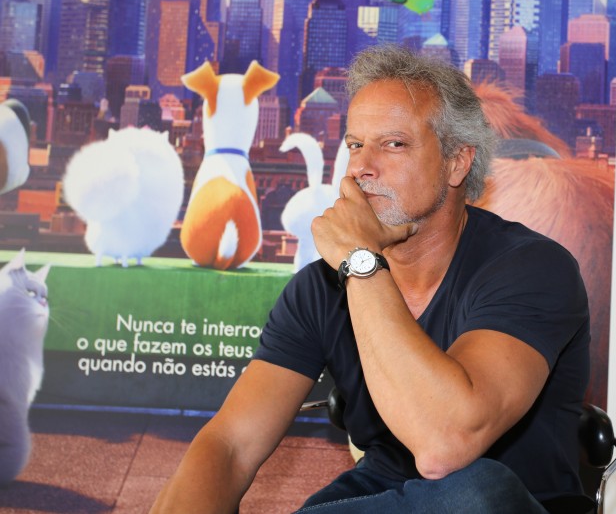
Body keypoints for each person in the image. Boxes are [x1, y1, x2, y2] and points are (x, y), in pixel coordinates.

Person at [151, 44, 590, 513]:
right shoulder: (319, 289)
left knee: (477, 489)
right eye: (355, 145)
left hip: (510, 502)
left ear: (457, 162)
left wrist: (360, 261)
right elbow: (230, 445)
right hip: (383, 493)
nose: (361, 166)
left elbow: (445, 445)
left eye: (393, 144)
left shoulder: (532, 268)